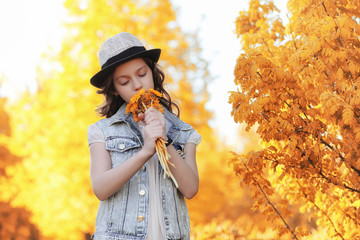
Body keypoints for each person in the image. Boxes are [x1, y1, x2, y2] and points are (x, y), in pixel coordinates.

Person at [87, 32, 201, 240]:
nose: (137, 85)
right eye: (124, 81)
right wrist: (146, 151)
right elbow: (101, 189)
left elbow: (191, 189)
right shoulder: (102, 131)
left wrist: (163, 141)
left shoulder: (183, 131)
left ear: (153, 73)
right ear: (114, 90)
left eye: (142, 74)